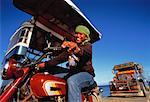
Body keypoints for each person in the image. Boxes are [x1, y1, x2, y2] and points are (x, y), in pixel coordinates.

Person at [38, 25, 96, 102]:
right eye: (76, 33)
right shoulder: (70, 49)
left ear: (86, 36)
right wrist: (44, 64)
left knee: (72, 81)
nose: (77, 36)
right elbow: (59, 59)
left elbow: (85, 53)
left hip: (87, 74)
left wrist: (77, 49)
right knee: (50, 76)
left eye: (81, 34)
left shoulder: (88, 46)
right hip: (73, 73)